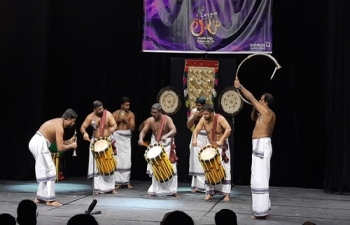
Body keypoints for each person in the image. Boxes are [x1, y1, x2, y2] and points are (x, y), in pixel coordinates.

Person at [234, 77, 276, 219]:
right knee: (257, 177)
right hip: (259, 146)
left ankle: (261, 212)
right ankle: (263, 208)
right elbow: (252, 118)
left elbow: (250, 96)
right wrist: (254, 107)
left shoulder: (268, 113)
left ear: (266, 103)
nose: (259, 101)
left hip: (262, 146)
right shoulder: (262, 113)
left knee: (260, 179)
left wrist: (240, 87)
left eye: (261, 100)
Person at [29, 109, 78, 207]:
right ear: (68, 119)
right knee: (51, 170)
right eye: (73, 121)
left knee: (45, 171)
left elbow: (57, 144)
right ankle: (50, 200)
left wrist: (69, 141)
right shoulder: (59, 127)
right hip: (40, 144)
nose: (73, 123)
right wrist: (72, 146)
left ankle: (39, 197)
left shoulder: (57, 122)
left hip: (36, 142)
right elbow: (60, 148)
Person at [192, 104, 232, 201]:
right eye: (203, 114)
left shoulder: (219, 118)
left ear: (211, 113)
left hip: (221, 146)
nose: (204, 116)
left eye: (206, 114)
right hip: (210, 146)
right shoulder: (203, 119)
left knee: (224, 168)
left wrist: (221, 140)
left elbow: (228, 129)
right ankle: (210, 193)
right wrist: (195, 139)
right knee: (209, 169)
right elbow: (196, 130)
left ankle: (226, 194)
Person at [138, 103, 178, 197]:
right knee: (156, 168)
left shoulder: (167, 119)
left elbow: (174, 130)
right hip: (156, 145)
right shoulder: (150, 120)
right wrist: (141, 139)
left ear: (160, 112)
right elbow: (143, 131)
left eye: (155, 112)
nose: (153, 114)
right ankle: (155, 190)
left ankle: (173, 190)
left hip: (167, 146)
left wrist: (166, 135)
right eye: (152, 112)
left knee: (171, 168)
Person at [80, 100, 118, 194]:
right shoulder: (90, 117)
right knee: (96, 166)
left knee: (108, 163)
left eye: (102, 108)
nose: (101, 110)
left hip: (106, 141)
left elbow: (114, 125)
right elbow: (82, 127)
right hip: (96, 142)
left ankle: (111, 187)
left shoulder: (108, 114)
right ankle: (97, 188)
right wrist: (84, 133)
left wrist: (110, 130)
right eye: (99, 109)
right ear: (94, 109)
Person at [112, 97, 135, 189]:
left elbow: (132, 128)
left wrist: (125, 120)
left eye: (129, 105)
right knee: (117, 159)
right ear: (122, 105)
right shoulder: (114, 114)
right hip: (117, 137)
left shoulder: (131, 114)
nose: (128, 107)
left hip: (126, 139)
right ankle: (118, 182)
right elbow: (112, 127)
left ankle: (126, 182)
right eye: (126, 105)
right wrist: (119, 120)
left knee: (126, 160)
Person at [187, 96, 207, 193]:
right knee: (196, 160)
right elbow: (189, 125)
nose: (198, 107)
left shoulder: (209, 111)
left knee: (204, 160)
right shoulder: (194, 111)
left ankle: (204, 186)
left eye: (199, 105)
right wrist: (194, 116)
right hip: (196, 137)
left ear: (203, 105)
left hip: (206, 137)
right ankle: (195, 186)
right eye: (197, 105)